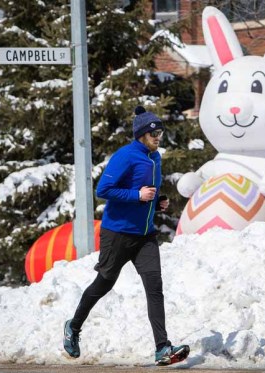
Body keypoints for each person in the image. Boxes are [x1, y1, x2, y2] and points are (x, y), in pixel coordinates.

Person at [63, 106, 189, 366]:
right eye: (153, 133)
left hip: (145, 236)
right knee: (104, 283)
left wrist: (158, 201)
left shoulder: (155, 158)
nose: (158, 137)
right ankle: (73, 327)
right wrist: (137, 196)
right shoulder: (126, 156)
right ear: (141, 134)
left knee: (155, 288)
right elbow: (104, 189)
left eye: (160, 133)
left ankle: (162, 348)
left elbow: (148, 190)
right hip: (118, 234)